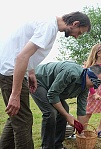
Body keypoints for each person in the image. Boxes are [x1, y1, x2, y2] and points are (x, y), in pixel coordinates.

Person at [0, 11, 91, 149]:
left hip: (15, 71)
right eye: (80, 32)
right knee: (24, 121)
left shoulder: (48, 23)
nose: (77, 37)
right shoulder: (49, 27)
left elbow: (27, 51)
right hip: (11, 72)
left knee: (16, 117)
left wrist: (31, 72)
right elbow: (21, 57)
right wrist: (15, 93)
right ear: (75, 23)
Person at [30, 61, 101, 149]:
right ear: (88, 75)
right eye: (95, 82)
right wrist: (67, 116)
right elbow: (52, 95)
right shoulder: (71, 73)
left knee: (65, 108)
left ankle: (57, 145)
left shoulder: (86, 86)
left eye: (98, 85)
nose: (95, 87)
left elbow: (81, 109)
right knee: (51, 113)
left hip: (52, 87)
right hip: (38, 80)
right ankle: (47, 147)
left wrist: (81, 130)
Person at [85, 43, 101, 141]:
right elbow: (89, 82)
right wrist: (94, 93)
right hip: (93, 92)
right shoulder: (92, 66)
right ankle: (82, 131)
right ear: (98, 54)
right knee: (88, 113)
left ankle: (99, 130)